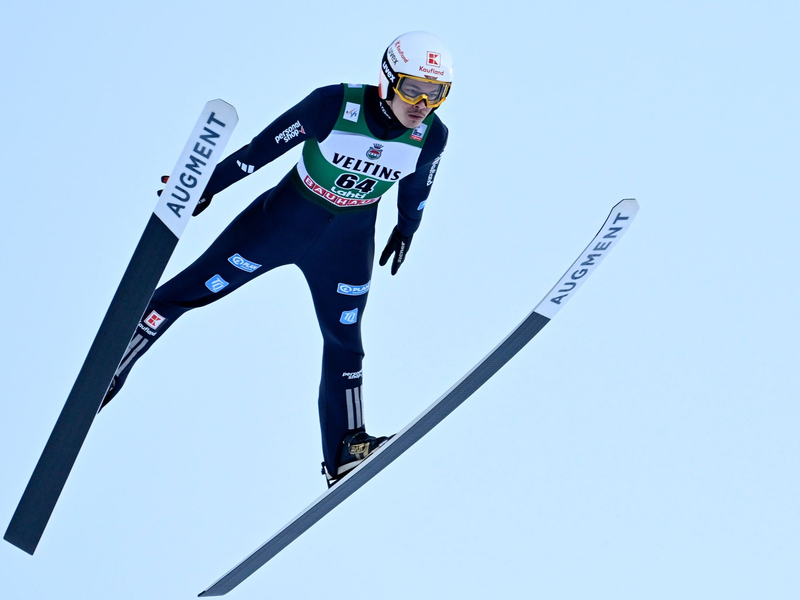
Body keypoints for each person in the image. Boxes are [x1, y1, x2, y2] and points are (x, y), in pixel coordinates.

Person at [101, 31, 453, 486]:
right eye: (412, 89)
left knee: (346, 343)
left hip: (347, 247)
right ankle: (112, 368)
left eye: (436, 94)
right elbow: (256, 154)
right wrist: (206, 185)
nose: (422, 104)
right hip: (280, 225)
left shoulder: (432, 137)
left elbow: (418, 188)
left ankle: (346, 448)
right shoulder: (332, 105)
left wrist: (407, 229)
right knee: (187, 292)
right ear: (387, 81)